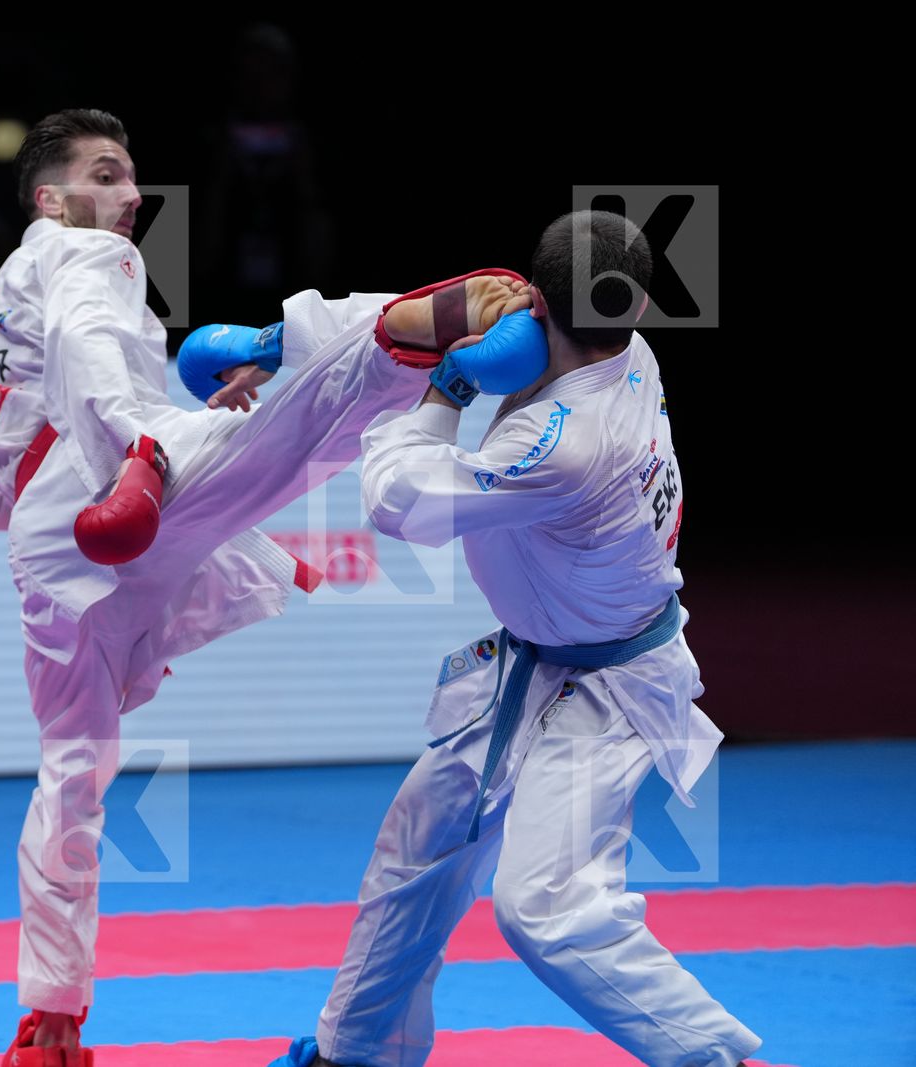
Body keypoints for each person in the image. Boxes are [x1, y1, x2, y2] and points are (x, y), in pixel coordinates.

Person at [0, 107, 531, 1065]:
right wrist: (137, 444)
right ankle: (386, 337)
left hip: (57, 569)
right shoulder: (85, 257)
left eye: (132, 177)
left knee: (71, 780)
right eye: (106, 174)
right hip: (112, 495)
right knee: (282, 442)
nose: (130, 194)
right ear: (49, 198)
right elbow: (89, 345)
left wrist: (50, 473)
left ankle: (49, 1015)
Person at [269, 211, 762, 1067]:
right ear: (640, 302)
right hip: (531, 665)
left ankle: (713, 1058)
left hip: (607, 692)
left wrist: (444, 390)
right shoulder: (633, 353)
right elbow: (403, 314)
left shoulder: (562, 445)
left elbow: (402, 503)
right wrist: (285, 340)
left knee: (545, 905)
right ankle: (356, 1051)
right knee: (418, 848)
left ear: (536, 295)